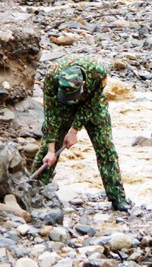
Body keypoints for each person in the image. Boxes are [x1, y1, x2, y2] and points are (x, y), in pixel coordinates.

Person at [32, 55, 131, 211]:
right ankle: (34, 192)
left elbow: (90, 105)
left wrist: (74, 130)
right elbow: (50, 114)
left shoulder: (98, 72)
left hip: (92, 104)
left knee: (106, 149)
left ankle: (117, 196)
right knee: (47, 149)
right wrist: (51, 150)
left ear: (83, 84)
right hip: (62, 105)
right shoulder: (52, 77)